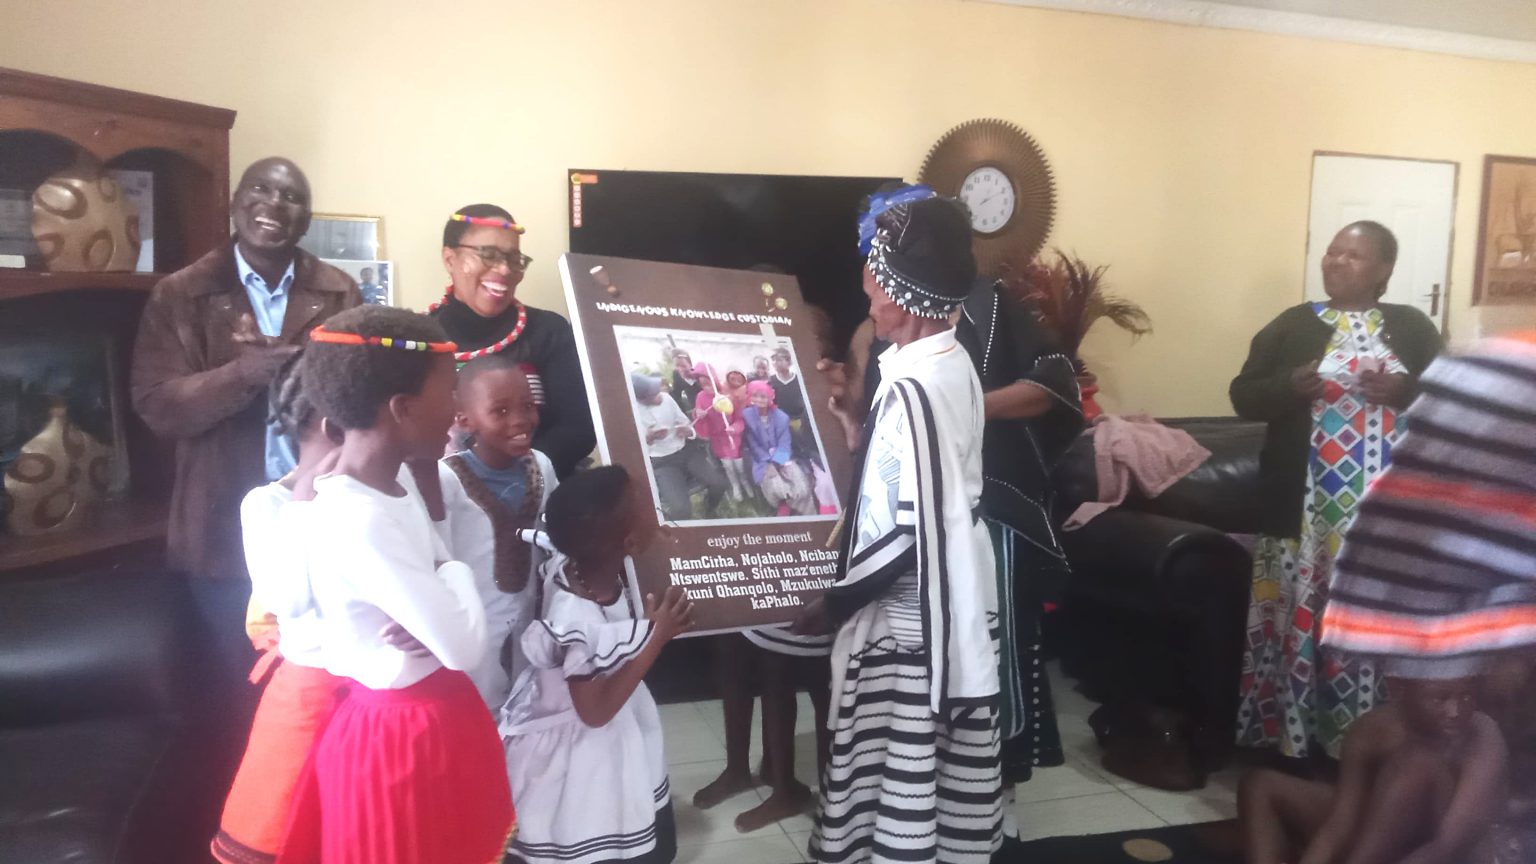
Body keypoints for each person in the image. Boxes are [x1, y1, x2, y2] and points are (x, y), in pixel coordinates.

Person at [130, 156, 360, 795]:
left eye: (291, 196)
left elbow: (360, 400)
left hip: (321, 529)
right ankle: (249, 832)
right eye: (261, 188)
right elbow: (157, 406)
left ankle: (319, 820)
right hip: (222, 536)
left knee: (325, 690)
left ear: (304, 217)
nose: (274, 203)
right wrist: (242, 376)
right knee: (240, 700)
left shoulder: (339, 292)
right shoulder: (181, 293)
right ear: (236, 202)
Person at [793, 196, 1005, 863]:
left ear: (907, 303)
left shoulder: (911, 388)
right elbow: (926, 478)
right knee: (940, 776)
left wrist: (834, 602)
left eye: (874, 292)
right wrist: (860, 433)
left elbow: (900, 534)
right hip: (964, 584)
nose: (870, 307)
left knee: (897, 767)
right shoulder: (951, 361)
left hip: (915, 613)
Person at [277, 306, 512, 864]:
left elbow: (441, 595)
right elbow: (460, 646)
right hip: (398, 741)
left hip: (431, 721)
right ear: (402, 410)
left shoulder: (395, 482)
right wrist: (451, 576)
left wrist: (439, 585)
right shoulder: (356, 516)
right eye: (449, 393)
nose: (457, 412)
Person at [1231, 221, 1441, 760]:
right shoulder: (1293, 324)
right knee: (1301, 618)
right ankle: (1293, 741)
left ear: (1384, 270)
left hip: (1385, 524)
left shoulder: (1413, 327)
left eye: (1353, 255)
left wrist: (1406, 389)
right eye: (1332, 252)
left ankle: (1380, 743)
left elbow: (1451, 402)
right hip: (1304, 517)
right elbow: (1244, 396)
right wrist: (1287, 386)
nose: (1336, 262)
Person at [501, 465, 694, 864]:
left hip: (619, 722)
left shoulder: (585, 562)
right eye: (646, 508)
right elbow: (594, 712)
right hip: (584, 747)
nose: (655, 510)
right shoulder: (579, 617)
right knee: (598, 835)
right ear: (628, 541)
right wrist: (656, 639)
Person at [957, 269, 1084, 786]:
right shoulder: (880, 324)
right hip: (912, 505)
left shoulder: (988, 304)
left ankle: (997, 779)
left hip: (993, 501)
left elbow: (1054, 385)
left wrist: (961, 406)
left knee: (996, 638)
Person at [1238, 674, 1507, 864]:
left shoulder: (1482, 735)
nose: (1455, 711)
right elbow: (1340, 823)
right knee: (1259, 785)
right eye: (1439, 699)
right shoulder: (1371, 731)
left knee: (1417, 761)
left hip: (1442, 853)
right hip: (1378, 842)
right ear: (1399, 689)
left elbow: (1447, 844)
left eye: (1467, 696)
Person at [428, 204, 595, 478]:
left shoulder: (548, 331)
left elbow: (578, 429)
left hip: (539, 496)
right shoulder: (418, 339)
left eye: (514, 259)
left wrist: (511, 480)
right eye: (489, 255)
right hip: (444, 501)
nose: (504, 269)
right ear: (450, 259)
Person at [438, 354, 559, 710]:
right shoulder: (445, 479)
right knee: (479, 715)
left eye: (528, 406)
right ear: (464, 419)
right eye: (501, 411)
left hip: (532, 624)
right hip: (474, 633)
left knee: (527, 714)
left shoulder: (542, 466)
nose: (520, 420)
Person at [631, 373, 726, 521]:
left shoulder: (667, 399)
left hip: (686, 452)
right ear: (641, 399)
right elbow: (634, 449)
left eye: (657, 390)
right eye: (653, 394)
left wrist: (689, 431)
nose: (659, 396)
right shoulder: (632, 413)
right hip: (662, 462)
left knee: (719, 484)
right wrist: (648, 439)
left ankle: (709, 508)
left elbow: (686, 423)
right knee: (680, 510)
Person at [741, 380, 814, 516]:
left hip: (782, 457)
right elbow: (753, 444)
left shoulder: (781, 417)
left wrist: (777, 463)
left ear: (770, 397)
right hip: (760, 459)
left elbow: (784, 444)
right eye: (755, 395)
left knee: (800, 486)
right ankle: (783, 509)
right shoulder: (747, 416)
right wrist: (768, 464)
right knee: (777, 486)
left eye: (763, 396)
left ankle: (805, 513)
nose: (759, 400)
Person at [691, 362, 748, 502]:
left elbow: (740, 419)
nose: (707, 387)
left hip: (734, 438)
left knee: (740, 466)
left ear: (714, 379)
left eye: (709, 382)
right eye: (703, 384)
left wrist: (734, 428)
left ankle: (745, 481)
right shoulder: (700, 397)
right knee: (728, 466)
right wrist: (699, 416)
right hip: (719, 440)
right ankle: (735, 485)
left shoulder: (727, 394)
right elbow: (701, 423)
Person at [669, 349, 700, 414]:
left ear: (690, 364)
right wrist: (683, 413)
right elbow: (676, 395)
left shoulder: (699, 373)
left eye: (683, 366)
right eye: (677, 365)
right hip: (695, 410)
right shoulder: (677, 375)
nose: (680, 369)